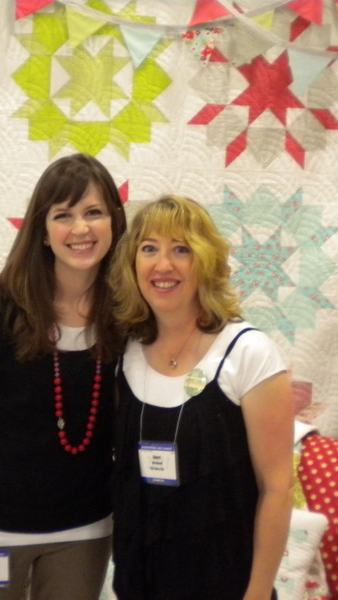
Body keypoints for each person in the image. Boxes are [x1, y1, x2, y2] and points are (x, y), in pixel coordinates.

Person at [0, 153, 127, 599]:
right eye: (64, 215)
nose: (81, 228)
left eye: (94, 212)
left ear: (115, 222)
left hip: (84, 529)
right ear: (42, 231)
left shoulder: (129, 312)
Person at [107, 194, 294, 600]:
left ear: (206, 260)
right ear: (132, 263)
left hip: (227, 585)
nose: (163, 265)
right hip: (139, 584)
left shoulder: (248, 353)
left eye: (181, 249)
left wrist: (257, 593)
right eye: (149, 249)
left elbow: (278, 488)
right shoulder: (124, 350)